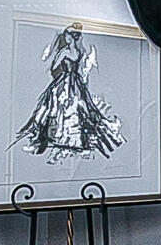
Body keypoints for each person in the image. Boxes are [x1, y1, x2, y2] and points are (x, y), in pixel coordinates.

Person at [13, 23, 124, 159]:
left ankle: (55, 138)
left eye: (67, 34)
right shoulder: (78, 52)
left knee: (55, 108)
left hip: (64, 81)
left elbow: (54, 68)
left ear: (71, 37)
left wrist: (59, 71)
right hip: (75, 82)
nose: (65, 37)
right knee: (76, 109)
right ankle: (74, 140)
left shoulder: (65, 51)